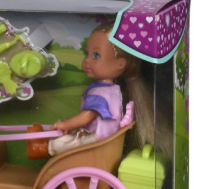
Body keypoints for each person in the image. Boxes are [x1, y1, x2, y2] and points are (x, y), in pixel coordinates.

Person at [27, 22, 166, 159]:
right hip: (100, 136)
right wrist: (70, 125)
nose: (87, 60)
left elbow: (86, 116)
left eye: (95, 55)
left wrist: (66, 124)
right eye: (86, 54)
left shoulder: (101, 93)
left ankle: (41, 148)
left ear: (120, 64)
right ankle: (44, 143)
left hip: (97, 139)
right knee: (68, 137)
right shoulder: (112, 89)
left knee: (63, 143)